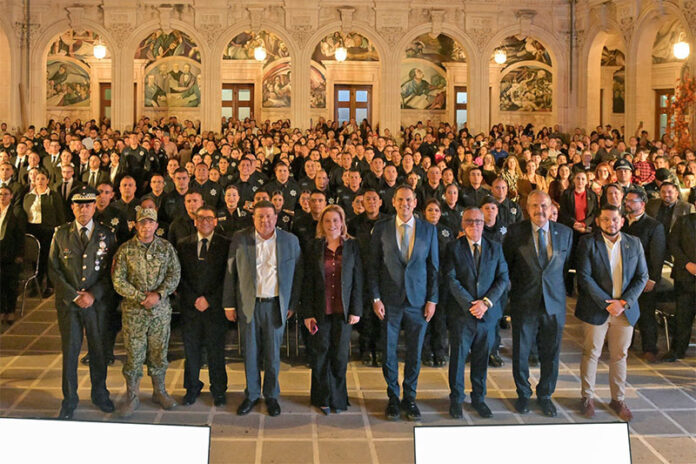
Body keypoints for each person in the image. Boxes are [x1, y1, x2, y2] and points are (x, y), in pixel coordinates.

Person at [223, 201, 303, 417]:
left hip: (275, 306)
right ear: (253, 218)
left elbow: (298, 275)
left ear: (276, 218)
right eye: (260, 216)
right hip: (248, 306)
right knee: (250, 352)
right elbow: (230, 273)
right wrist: (229, 304)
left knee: (272, 354)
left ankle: (271, 395)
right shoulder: (240, 239)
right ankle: (251, 395)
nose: (265, 220)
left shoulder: (290, 240)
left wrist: (292, 304)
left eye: (269, 216)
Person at [368, 185, 439, 421]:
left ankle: (410, 397)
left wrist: (432, 299)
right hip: (389, 301)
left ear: (415, 202)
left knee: (414, 352)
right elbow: (373, 266)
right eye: (400, 200)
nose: (404, 204)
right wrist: (375, 297)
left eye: (408, 199)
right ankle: (393, 397)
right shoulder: (381, 228)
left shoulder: (428, 230)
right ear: (393, 202)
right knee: (389, 351)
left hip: (418, 302)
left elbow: (433, 268)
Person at [47, 186, 117, 420]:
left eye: (88, 205)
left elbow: (112, 272)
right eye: (79, 205)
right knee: (70, 352)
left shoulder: (107, 234)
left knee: (99, 351)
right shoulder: (60, 234)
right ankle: (69, 400)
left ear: (95, 207)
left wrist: (93, 294)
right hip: (70, 304)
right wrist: (74, 295)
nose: (83, 210)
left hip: (97, 304)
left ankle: (100, 394)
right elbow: (53, 270)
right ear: (72, 207)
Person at [503, 190, 573, 417]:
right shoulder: (515, 232)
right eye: (534, 205)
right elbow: (508, 266)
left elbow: (563, 268)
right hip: (525, 301)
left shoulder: (565, 233)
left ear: (551, 208)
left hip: (554, 303)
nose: (539, 210)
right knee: (521, 352)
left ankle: (545, 395)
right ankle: (523, 394)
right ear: (527, 207)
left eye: (543, 205)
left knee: (551, 353)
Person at [576, 205, 648, 421]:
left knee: (619, 355)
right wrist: (607, 303)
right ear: (599, 222)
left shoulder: (634, 243)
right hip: (597, 308)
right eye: (606, 219)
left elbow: (642, 277)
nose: (611, 223)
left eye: (615, 219)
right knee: (592, 353)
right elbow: (584, 276)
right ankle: (587, 397)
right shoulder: (588, 243)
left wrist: (624, 302)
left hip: (624, 310)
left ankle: (618, 399)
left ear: (622, 221)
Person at [112, 207, 181, 417]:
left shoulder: (166, 248)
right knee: (134, 355)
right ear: (135, 225)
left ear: (156, 225)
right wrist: (140, 296)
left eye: (150, 222)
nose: (146, 226)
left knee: (159, 353)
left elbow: (174, 274)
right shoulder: (125, 250)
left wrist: (159, 295)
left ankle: (159, 391)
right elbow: (118, 280)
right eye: (142, 222)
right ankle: (132, 397)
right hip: (135, 312)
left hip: (160, 312)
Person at [445, 208, 509, 418]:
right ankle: (456, 399)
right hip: (462, 314)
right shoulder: (453, 247)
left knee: (481, 359)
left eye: (478, 221)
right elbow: (451, 279)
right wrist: (471, 305)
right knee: (458, 359)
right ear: (463, 224)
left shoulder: (495, 248)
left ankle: (478, 399)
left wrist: (486, 303)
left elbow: (503, 278)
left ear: (484, 223)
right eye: (469, 221)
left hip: (487, 315)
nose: (474, 225)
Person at [302, 205, 362, 414]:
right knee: (320, 354)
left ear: (342, 222)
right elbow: (307, 282)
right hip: (320, 310)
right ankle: (321, 398)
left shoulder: (352, 246)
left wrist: (356, 309)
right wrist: (307, 313)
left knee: (339, 356)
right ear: (321, 224)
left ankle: (338, 398)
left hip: (343, 311)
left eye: (336, 220)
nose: (332, 225)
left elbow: (358, 280)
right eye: (327, 221)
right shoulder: (314, 247)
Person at [176, 205, 230, 406]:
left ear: (215, 221)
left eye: (209, 218)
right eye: (201, 218)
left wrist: (210, 300)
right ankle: (192, 388)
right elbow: (178, 276)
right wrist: (193, 299)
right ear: (195, 221)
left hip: (215, 307)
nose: (205, 222)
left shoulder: (226, 244)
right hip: (191, 307)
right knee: (191, 352)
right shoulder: (183, 244)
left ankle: (219, 390)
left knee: (216, 351)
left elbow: (228, 277)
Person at [622, 189, 667, 363]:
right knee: (625, 312)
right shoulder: (622, 222)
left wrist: (652, 278)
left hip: (643, 277)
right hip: (624, 276)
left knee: (646, 313)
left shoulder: (653, 226)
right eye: (626, 200)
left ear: (642, 204)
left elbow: (657, 255)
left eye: (632, 201)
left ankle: (650, 348)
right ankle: (626, 343)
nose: (627, 204)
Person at [23, 168, 65, 296]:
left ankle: (50, 286)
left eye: (42, 179)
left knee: (48, 258)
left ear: (48, 181)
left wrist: (60, 231)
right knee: (35, 259)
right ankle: (36, 284)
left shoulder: (53, 195)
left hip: (48, 231)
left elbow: (60, 215)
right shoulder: (28, 196)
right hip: (33, 230)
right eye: (37, 179)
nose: (40, 181)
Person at [663, 212, 696, 361]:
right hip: (685, 276)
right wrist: (686, 264)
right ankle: (677, 350)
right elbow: (673, 244)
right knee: (683, 317)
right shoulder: (683, 221)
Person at [0, 185, 26, 325]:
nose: (2, 197)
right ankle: (1, 310)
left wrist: (20, 254)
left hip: (11, 254)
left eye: (5, 194)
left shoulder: (16, 213)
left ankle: (10, 310)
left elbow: (20, 236)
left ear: (11, 196)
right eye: (0, 194)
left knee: (10, 284)